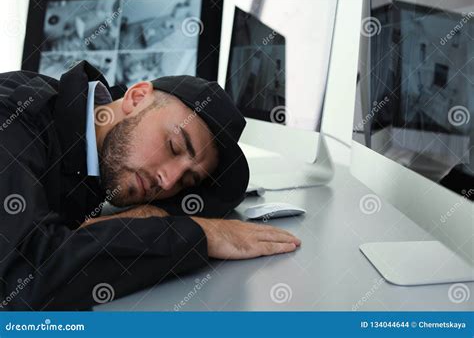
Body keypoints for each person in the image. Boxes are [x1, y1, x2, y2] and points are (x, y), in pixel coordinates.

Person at [0, 61, 300, 310]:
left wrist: (148, 216)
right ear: (137, 97)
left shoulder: (87, 150)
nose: (167, 181)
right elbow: (24, 279)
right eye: (173, 146)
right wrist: (200, 234)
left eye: (187, 180)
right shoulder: (13, 118)